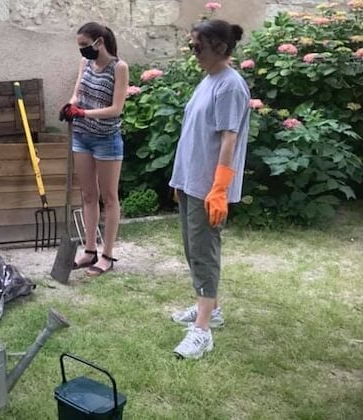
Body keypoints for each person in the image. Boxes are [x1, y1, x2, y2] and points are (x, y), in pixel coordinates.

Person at [168, 20, 250, 359]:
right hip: (191, 182)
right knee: (192, 248)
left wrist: (219, 189)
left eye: (196, 47)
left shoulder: (230, 86)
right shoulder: (209, 80)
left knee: (203, 252)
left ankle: (202, 331)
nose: (192, 52)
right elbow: (193, 134)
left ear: (218, 46)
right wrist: (178, 180)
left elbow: (229, 140)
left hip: (208, 186)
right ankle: (210, 310)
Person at [60, 22, 129, 277]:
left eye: (84, 45)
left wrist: (84, 113)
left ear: (99, 42)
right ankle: (89, 251)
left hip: (107, 139)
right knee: (88, 195)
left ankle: (107, 255)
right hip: (82, 137)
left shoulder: (119, 68)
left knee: (109, 197)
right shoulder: (85, 64)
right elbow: (77, 92)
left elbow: (116, 108)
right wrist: (70, 106)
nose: (81, 51)